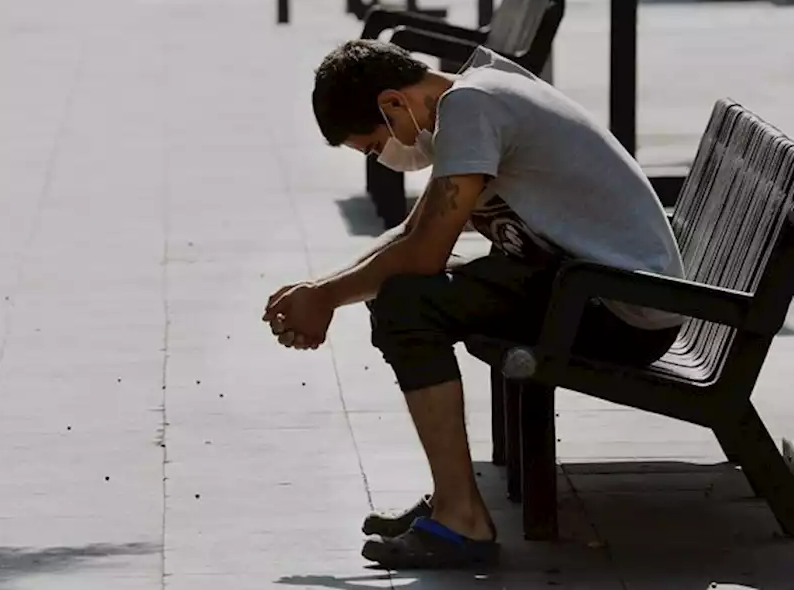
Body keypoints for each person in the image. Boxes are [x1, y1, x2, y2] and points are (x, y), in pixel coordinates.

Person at [262, 41, 685, 570]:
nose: (386, 156)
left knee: (407, 306)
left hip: (620, 312)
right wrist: (321, 289)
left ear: (393, 104)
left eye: (373, 145)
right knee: (406, 293)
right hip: (591, 291)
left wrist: (325, 299)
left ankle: (461, 516)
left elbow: (423, 254)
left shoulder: (470, 108)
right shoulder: (475, 94)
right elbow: (414, 232)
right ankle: (450, 499)